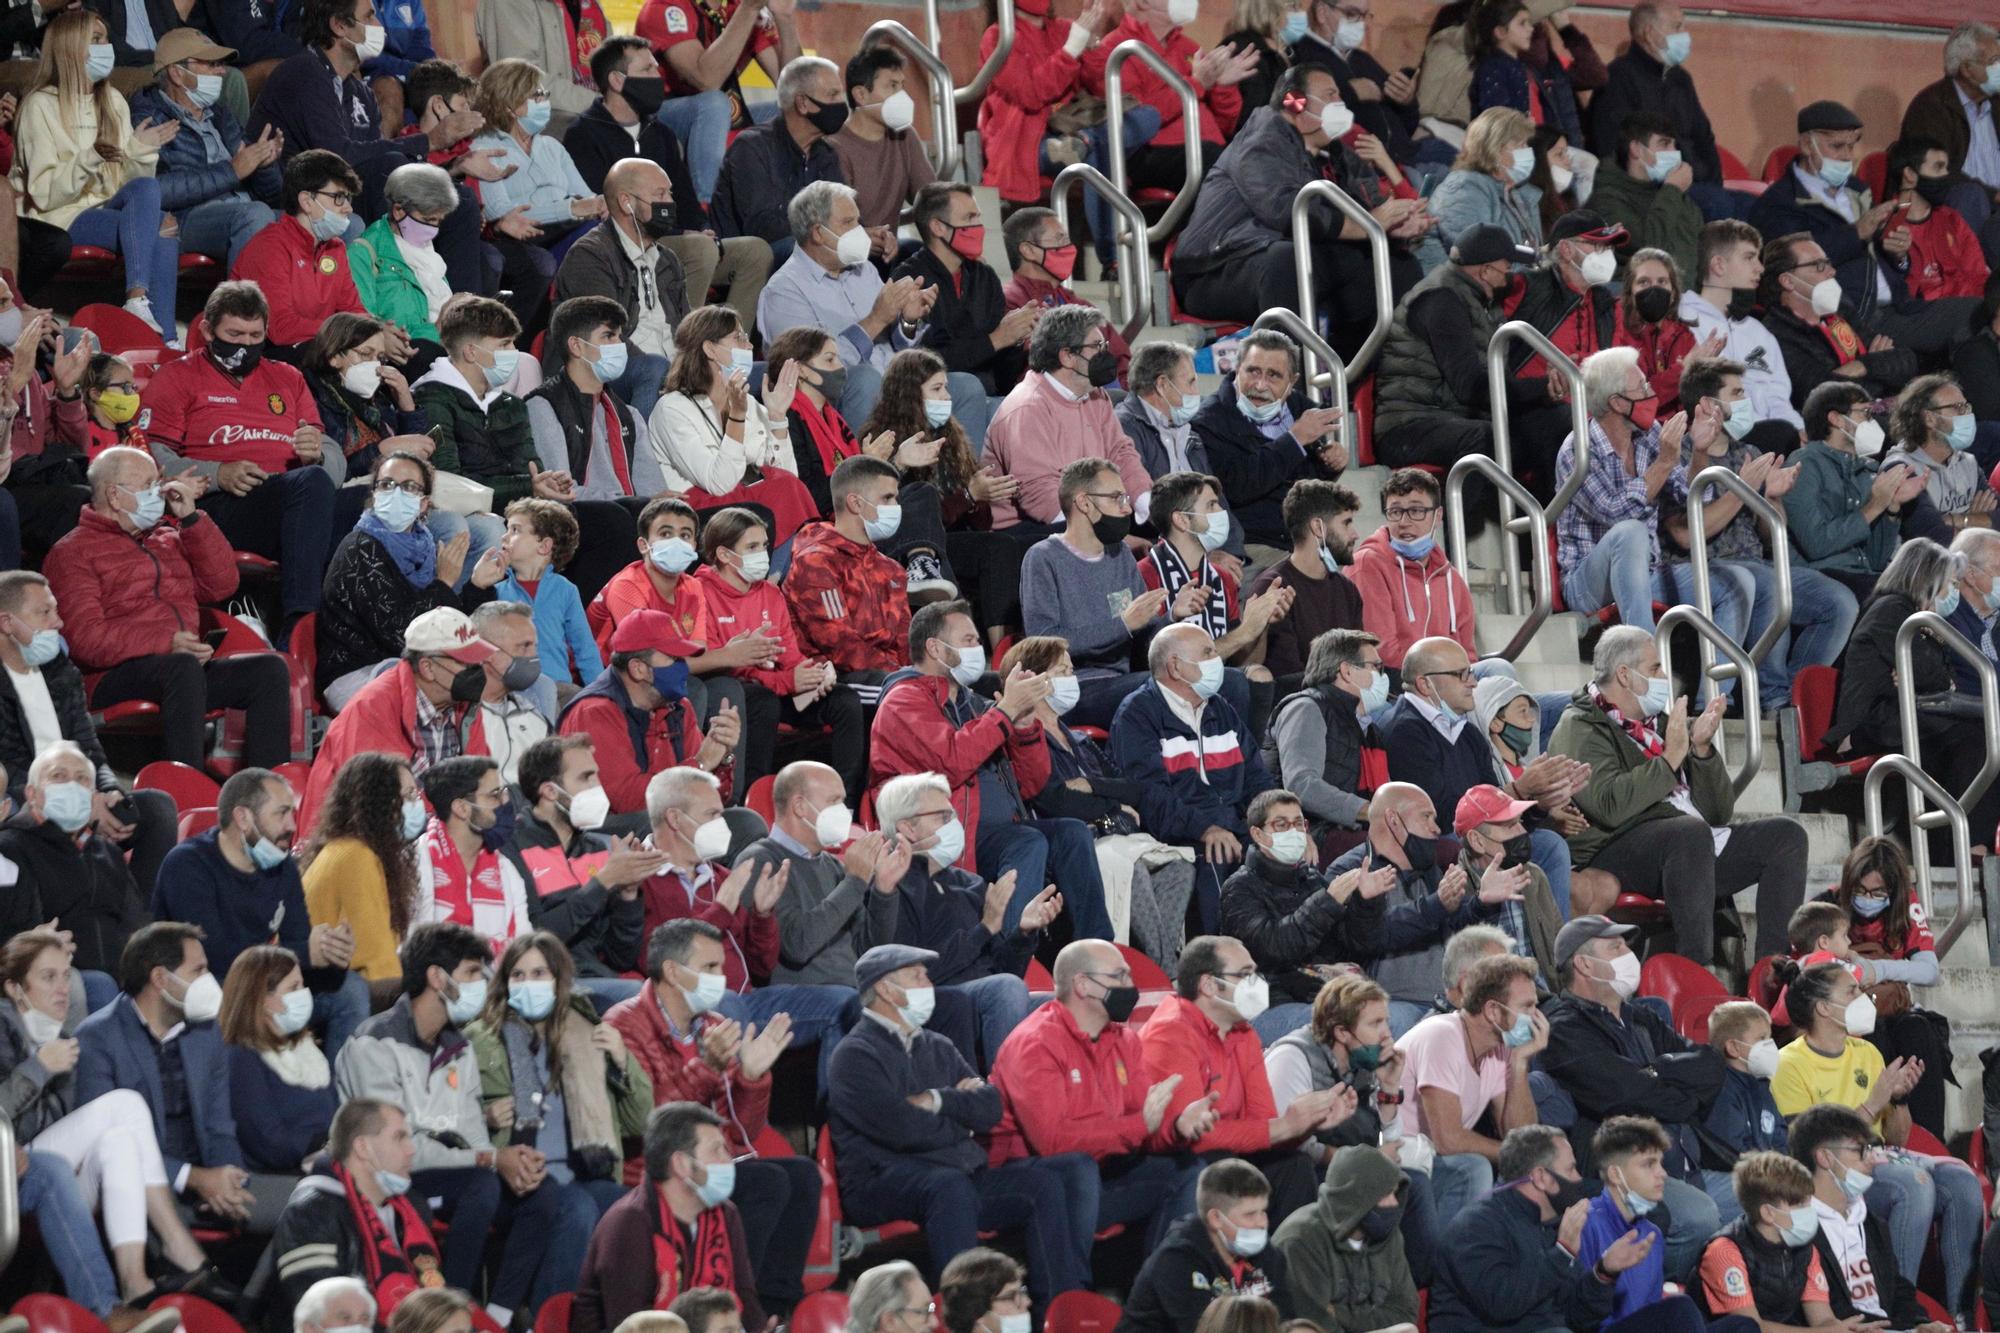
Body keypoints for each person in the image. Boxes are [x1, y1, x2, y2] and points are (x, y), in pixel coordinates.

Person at [336, 921, 595, 1314]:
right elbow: (393, 1150)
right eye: (472, 972)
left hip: (455, 1172)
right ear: (438, 978)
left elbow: (475, 1135)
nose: (482, 983)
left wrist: (510, 1164)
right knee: (483, 1185)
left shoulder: (459, 1047)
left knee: (542, 1195)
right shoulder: (375, 1044)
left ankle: (500, 1315)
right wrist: (490, 1160)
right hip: (396, 1174)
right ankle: (448, 1309)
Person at [827, 943, 1093, 1308]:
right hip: (881, 1181)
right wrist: (961, 1123)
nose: (928, 983)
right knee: (948, 1187)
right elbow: (903, 1130)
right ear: (886, 989)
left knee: (1043, 1183)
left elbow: (990, 1106)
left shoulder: (938, 1044)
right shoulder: (854, 1055)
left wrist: (940, 1101)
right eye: (917, 976)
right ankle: (966, 1315)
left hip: (954, 1173)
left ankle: (1059, 1313)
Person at [603, 915, 825, 1314]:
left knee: (804, 1175)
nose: (720, 979)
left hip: (708, 1166)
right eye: (709, 968)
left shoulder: (715, 1027)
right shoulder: (624, 1025)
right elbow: (650, 1129)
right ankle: (731, 1308)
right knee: (767, 1182)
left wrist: (753, 1080)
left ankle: (775, 1311)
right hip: (652, 1175)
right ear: (672, 971)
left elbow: (739, 1137)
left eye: (721, 967)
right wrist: (706, 1066)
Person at [1551, 626, 1808, 964]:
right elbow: (1609, 806)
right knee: (1688, 832)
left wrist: (1701, 751)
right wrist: (1670, 758)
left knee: (1786, 836)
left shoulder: (1657, 725)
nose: (1664, 677)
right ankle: (1694, 967)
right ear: (1625, 675)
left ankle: (1772, 967)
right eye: (1655, 668)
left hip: (1689, 842)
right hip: (1617, 845)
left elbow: (1717, 813)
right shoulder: (1581, 725)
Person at [0, 927, 224, 1313]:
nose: (63, 989)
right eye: (47, 977)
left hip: (48, 1171)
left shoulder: (62, 1037)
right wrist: (37, 1068)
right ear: (15, 989)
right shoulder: (4, 1030)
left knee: (118, 1140)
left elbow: (71, 1126)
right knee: (124, 1104)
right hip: (11, 1164)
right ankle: (178, 1246)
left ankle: (135, 1284)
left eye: (66, 976)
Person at [871, 599, 1113, 941]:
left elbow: (1032, 786)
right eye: (968, 640)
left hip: (995, 832)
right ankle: (1008, 951)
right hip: (941, 834)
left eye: (978, 641)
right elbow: (951, 763)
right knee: (1027, 841)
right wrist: (1005, 711)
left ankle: (1096, 948)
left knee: (1071, 833)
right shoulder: (903, 700)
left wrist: (1026, 726)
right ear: (935, 648)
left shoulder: (974, 704)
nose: (978, 649)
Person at [46, 446, 293, 770]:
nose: (159, 492)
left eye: (158, 483)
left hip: (181, 670)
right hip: (109, 677)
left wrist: (191, 518)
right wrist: (167, 644)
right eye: (148, 485)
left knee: (269, 670)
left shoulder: (166, 537)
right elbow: (86, 640)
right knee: (182, 667)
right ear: (114, 496)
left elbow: (222, 584)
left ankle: (266, 790)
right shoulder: (72, 553)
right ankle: (187, 789)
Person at [1769, 957, 1983, 1325]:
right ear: (1823, 1007)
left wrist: (1897, 1098)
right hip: (1831, 1171)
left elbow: (1896, 1137)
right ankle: (1898, 1310)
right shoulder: (1789, 1063)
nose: (1862, 997)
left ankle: (1960, 1313)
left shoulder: (1866, 1051)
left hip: (1879, 1154)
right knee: (1913, 1187)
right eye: (1851, 991)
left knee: (1963, 1179)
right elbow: (1808, 1148)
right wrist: (1872, 1104)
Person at [140, 280, 341, 640]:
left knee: (368, 503)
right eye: (234, 334)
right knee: (310, 486)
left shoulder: (288, 377)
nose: (245, 345)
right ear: (206, 330)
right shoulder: (177, 376)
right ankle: (301, 625)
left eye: (255, 335)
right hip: (219, 507)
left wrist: (320, 455)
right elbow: (149, 454)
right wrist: (217, 474)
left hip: (290, 499)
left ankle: (350, 638)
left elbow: (330, 453)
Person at [1171, 66, 1425, 350]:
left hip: (1287, 256)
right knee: (1288, 262)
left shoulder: (1338, 155)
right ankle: (1293, 382)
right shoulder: (1260, 142)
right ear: (1295, 102)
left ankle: (1358, 379)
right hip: (1215, 269)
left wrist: (1397, 225)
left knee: (1398, 267)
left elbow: (1371, 208)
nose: (1339, 104)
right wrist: (1370, 223)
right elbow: (1287, 211)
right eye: (1330, 95)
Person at [987, 938, 1219, 1247]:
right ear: (1082, 984)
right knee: (1076, 1169)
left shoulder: (1124, 1040)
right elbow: (1053, 1143)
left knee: (1188, 1170)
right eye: (1119, 976)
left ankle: (1158, 1284)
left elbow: (1142, 1121)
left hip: (1099, 1172)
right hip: (1029, 1180)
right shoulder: (1035, 1044)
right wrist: (1139, 1125)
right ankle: (1067, 1293)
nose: (1131, 986)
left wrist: (1175, 1127)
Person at [75, 921, 299, 1233]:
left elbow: (219, 1126)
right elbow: (103, 1149)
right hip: (142, 1191)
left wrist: (226, 1179)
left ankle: (249, 1285)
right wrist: (194, 1178)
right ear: (160, 979)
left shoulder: (207, 1032)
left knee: (315, 1204)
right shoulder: (98, 1038)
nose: (209, 980)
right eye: (199, 970)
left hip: (212, 1181)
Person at [1669, 357, 1857, 713]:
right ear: (1709, 404)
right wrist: (1742, 490)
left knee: (1839, 602)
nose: (1746, 400)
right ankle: (1769, 694)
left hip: (1758, 562)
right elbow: (1686, 534)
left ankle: (1791, 700)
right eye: (1737, 392)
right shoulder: (1678, 451)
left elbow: (1772, 538)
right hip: (1707, 567)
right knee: (1767, 584)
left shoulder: (1749, 453)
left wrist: (1770, 499)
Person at [1539, 917, 1724, 1279]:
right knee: (1700, 1217)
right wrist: (1682, 1095)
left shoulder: (1642, 1017)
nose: (1629, 954)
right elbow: (1625, 1096)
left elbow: (1710, 1064)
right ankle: (1651, 1294)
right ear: (1584, 964)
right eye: (1616, 947)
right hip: (1626, 1171)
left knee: (1771, 1198)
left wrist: (1656, 1070)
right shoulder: (1565, 1028)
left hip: (1688, 1157)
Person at [156, 768, 367, 1058]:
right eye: (281, 814)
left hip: (262, 984)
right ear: (243, 818)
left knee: (350, 990)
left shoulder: (283, 868)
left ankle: (338, 1098)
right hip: (204, 988)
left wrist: (331, 955)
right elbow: (212, 958)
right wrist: (305, 953)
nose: (292, 825)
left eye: (292, 814)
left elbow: (299, 944)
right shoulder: (188, 865)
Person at [1755, 101, 1984, 364]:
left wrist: (1898, 255)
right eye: (1837, 146)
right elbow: (1790, 266)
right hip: (1852, 316)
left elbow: (1885, 259)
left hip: (1900, 306)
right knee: (1970, 315)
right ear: (1807, 145)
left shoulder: (1857, 189)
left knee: (1982, 308)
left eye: (1851, 146)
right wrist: (1856, 233)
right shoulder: (1780, 203)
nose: (1847, 156)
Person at [0, 572, 177, 898]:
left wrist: (107, 791)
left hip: (79, 793)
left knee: (156, 810)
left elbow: (89, 747)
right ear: (7, 623)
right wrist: (77, 801)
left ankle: (139, 929)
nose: (59, 622)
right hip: (24, 807)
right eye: (45, 613)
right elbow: (8, 772)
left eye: (56, 610)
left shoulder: (60, 671)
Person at [1139, 936, 1337, 1224]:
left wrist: (1305, 1124)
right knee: (1213, 1162)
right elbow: (1197, 1136)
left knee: (1294, 1165)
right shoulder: (1170, 1033)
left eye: (1254, 974)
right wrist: (1283, 1126)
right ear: (1208, 985)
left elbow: (1263, 1121)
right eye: (1245, 975)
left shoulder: (1242, 1032)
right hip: (1177, 1161)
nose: (1255, 983)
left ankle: (1283, 1264)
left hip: (1223, 1153)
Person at [871, 771, 1058, 1067]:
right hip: (933, 1002)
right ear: (907, 827)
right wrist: (983, 929)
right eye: (942, 818)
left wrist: (1023, 933)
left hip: (989, 996)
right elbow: (910, 975)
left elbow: (1004, 970)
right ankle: (1002, 1100)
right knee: (1006, 990)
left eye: (953, 816)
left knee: (1063, 1005)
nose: (954, 826)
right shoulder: (892, 885)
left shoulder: (971, 883)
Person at [1550, 346, 1739, 638]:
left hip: (1647, 572)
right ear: (1617, 402)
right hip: (1587, 582)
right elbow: (1615, 514)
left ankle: (1718, 686)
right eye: (1643, 388)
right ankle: (1647, 657)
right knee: (1631, 532)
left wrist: (1699, 451)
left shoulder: (1648, 436)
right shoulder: (1577, 451)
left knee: (1740, 587)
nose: (1652, 394)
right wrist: (1664, 462)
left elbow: (1694, 498)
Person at [464, 930, 652, 1220]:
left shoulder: (591, 1032)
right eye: (518, 975)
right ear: (505, 982)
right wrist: (484, 1117)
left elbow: (637, 1123)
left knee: (638, 1212)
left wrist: (623, 1061)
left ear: (558, 980)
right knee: (577, 1209)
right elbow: (449, 1117)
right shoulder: (480, 1039)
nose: (529, 984)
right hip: (517, 1181)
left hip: (586, 1176)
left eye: (539, 973)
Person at [1828, 539, 2000, 855]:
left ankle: (1967, 841)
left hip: (1907, 714)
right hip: (1873, 725)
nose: (1951, 592)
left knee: (1984, 738)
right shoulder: (1891, 609)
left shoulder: (1922, 620)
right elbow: (1930, 672)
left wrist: (1927, 672)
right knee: (1977, 739)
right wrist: (1928, 672)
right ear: (1926, 577)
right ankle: (1963, 847)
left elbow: (1934, 676)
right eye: (1948, 583)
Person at [14, 10, 180, 337]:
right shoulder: (40, 105)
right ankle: (165, 337)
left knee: (148, 191)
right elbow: (45, 195)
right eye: (96, 40)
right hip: (59, 219)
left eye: (105, 38)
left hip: (106, 208)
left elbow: (127, 188)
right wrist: (89, 157)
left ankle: (143, 310)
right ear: (71, 49)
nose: (107, 46)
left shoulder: (114, 100)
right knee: (161, 226)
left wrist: (139, 150)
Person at [1372, 224, 1571, 485]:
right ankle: (1458, 525)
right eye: (1507, 266)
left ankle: (1544, 522)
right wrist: (1541, 389)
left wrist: (1542, 396)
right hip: (1408, 425)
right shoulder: (1441, 300)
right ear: (1485, 271)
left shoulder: (1480, 300)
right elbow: (1470, 386)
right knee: (1486, 439)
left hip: (1452, 417)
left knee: (1555, 422)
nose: (1510, 275)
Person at [1112, 624, 1277, 929]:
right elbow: (1149, 794)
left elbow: (1256, 777)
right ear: (1175, 666)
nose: (1218, 660)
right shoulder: (1137, 714)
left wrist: (1278, 820)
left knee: (1284, 850)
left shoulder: (1220, 709)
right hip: (1182, 832)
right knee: (1215, 855)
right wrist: (1204, 828)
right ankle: (1215, 959)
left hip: (1233, 823)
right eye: (1208, 653)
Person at [694, 506, 866, 800]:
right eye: (751, 547)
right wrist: (789, 682)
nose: (762, 553)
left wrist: (814, 673)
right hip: (737, 690)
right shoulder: (700, 591)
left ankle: (845, 802)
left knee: (846, 700)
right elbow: (720, 663)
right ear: (723, 554)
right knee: (763, 702)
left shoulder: (771, 593)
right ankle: (750, 799)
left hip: (780, 686)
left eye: (763, 545)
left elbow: (789, 653)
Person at [1431, 1123, 1659, 1333]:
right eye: (1570, 1169)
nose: (1579, 1179)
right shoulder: (1477, 1224)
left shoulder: (1551, 1228)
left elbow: (1576, 1318)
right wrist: (1561, 1253)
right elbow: (1501, 1304)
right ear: (1541, 1177)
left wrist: (1604, 1272)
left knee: (1678, 1313)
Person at [316, 452, 503, 707]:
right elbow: (400, 634)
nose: (396, 492)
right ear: (374, 494)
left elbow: (443, 624)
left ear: (424, 503)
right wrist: (443, 583)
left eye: (409, 487)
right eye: (387, 484)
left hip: (406, 663)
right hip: (357, 670)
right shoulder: (360, 547)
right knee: (456, 688)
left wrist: (477, 586)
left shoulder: (424, 547)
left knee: (496, 680)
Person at [296, 605, 498, 838]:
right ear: (428, 668)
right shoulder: (371, 709)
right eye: (468, 664)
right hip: (350, 842)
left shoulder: (465, 705)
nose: (479, 672)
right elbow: (380, 805)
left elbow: (480, 780)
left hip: (432, 837)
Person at [571, 1101, 769, 1333]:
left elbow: (744, 1296)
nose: (728, 1159)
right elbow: (633, 1325)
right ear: (681, 1164)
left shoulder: (727, 1214)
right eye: (716, 1149)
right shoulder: (629, 1222)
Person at [1219, 789, 1391, 1039]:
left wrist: (1367, 902)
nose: (1294, 831)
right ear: (1258, 834)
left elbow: (1358, 945)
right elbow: (1273, 946)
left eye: (1299, 823)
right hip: (1267, 1004)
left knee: (1387, 1020)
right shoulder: (1239, 888)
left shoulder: (1311, 879)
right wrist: (1328, 902)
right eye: (1282, 824)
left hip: (1321, 996)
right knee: (1357, 1026)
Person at [641, 305, 816, 548]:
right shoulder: (673, 408)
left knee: (785, 488)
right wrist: (736, 416)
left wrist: (777, 418)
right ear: (710, 348)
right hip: (700, 511)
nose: (750, 346)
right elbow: (718, 483)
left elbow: (788, 477)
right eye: (739, 338)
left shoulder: (751, 403)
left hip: (753, 502)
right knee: (781, 495)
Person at [1396, 953, 1543, 1221]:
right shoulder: (1442, 1035)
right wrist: (1519, 1158)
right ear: (1493, 1011)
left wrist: (1520, 1063)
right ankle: (1453, 1260)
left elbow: (1518, 1134)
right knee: (1473, 1168)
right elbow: (1448, 1139)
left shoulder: (1500, 1049)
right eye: (1528, 1006)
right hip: (1394, 1162)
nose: (1536, 1017)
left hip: (1429, 1162)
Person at [1823, 836, 1953, 1137]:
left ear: (1893, 891)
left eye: (1878, 892)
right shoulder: (1827, 905)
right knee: (1874, 1031)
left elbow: (1929, 970)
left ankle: (1930, 1139)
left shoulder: (1906, 905)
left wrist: (1877, 969)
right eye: (1861, 890)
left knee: (1919, 1031)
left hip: (1892, 1007)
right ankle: (1877, 1133)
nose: (1868, 898)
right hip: (1847, 1014)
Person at [732, 759, 904, 988]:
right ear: (800, 806)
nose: (843, 811)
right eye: (834, 801)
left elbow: (869, 949)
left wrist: (884, 890)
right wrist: (854, 881)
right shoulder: (760, 861)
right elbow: (797, 946)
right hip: (798, 1000)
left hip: (849, 995)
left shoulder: (834, 866)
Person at [984, 305, 1152, 535]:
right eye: (1096, 347)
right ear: (1068, 356)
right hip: (1027, 530)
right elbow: (1039, 493)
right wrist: (1101, 535)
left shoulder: (1096, 395)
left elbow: (1120, 453)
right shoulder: (1027, 407)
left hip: (1087, 513)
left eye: (1104, 346)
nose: (1104, 354)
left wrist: (1148, 506)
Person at [126, 28, 282, 271]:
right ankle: (240, 308)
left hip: (245, 210)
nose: (222, 71)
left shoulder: (221, 115)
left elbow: (272, 196)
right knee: (256, 215)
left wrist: (264, 165)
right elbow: (156, 190)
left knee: (329, 222)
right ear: (177, 73)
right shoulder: (149, 119)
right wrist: (231, 171)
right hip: (187, 218)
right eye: (212, 64)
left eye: (220, 64)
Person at [557, 609, 738, 815]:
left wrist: (723, 756)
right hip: (608, 831)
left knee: (745, 822)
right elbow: (626, 801)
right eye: (673, 658)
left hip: (667, 821)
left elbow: (714, 798)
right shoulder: (594, 712)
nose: (683, 667)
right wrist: (700, 764)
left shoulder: (678, 707)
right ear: (638, 669)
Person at [1789, 1102, 1949, 1333]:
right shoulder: (1796, 1229)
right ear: (1825, 1158)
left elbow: (1898, 1289)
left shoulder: (1870, 1220)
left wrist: (1919, 1324)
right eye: (1860, 1150)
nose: (1872, 1159)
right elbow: (1815, 1312)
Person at [469, 58, 606, 327]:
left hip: (564, 232)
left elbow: (587, 198)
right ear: (510, 104)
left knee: (603, 232)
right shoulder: (484, 147)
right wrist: (571, 208)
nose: (545, 100)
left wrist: (598, 205)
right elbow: (501, 212)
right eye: (537, 95)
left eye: (544, 94)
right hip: (518, 240)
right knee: (594, 242)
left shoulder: (552, 146)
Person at [551, 157, 688, 426]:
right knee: (654, 368)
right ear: (627, 202)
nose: (669, 202)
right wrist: (674, 374)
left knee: (750, 372)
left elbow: (685, 328)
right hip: (613, 368)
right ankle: (637, 459)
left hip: (671, 367)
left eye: (670, 193)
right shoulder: (590, 255)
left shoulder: (668, 260)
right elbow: (604, 339)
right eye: (660, 194)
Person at [268, 1105, 440, 1317]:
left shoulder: (410, 1209)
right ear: (363, 1147)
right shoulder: (312, 1211)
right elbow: (328, 1317)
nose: (411, 1149)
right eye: (399, 1138)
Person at [1188, 331, 1348, 554]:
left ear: (1292, 381)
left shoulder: (1300, 408)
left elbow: (1307, 482)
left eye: (1274, 375)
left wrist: (1329, 464)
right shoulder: (1208, 421)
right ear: (1237, 370)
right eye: (1253, 371)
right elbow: (1234, 488)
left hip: (1305, 542)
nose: (1260, 385)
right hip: (1250, 545)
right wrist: (1294, 440)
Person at [0, 741, 149, 978]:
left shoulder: (108, 853)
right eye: (58, 776)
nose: (71, 785)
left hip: (120, 978)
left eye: (82, 779)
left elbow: (136, 923)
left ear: (93, 795)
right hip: (61, 977)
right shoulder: (12, 848)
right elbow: (22, 938)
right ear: (32, 793)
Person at [1080, 0, 1256, 197]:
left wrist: (1223, 87)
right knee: (1215, 161)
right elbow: (1139, 117)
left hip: (1208, 151)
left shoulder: (1189, 48)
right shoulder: (1116, 50)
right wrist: (1196, 84)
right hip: (1153, 154)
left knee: (1258, 160)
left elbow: (1224, 125)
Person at [634, 0, 801, 208]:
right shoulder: (666, 6)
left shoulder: (736, 8)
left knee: (795, 112)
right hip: (661, 115)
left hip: (718, 110)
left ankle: (795, 206)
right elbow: (706, 80)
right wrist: (748, 10)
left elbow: (796, 91)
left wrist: (784, 18)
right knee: (714, 103)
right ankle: (710, 209)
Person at [1115, 1158, 1293, 1333]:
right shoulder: (1176, 1260)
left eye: (1263, 1211)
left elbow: (1285, 1321)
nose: (1261, 1223)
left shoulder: (1267, 1255)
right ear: (1216, 1218)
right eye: (1250, 1215)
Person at [1587, 2, 1729, 218]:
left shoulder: (1680, 79)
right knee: (1719, 204)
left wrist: (1715, 184)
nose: (1684, 35)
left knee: (1749, 205)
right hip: (1649, 189)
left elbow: (1704, 138)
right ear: (1649, 33)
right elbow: (1612, 146)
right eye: (1676, 27)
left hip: (1695, 184)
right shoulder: (1618, 78)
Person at [783, 455, 911, 693]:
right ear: (855, 503)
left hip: (887, 675)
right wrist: (904, 676)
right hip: (833, 679)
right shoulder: (817, 562)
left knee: (971, 686)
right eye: (887, 498)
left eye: (896, 498)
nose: (895, 507)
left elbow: (904, 641)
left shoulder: (892, 569)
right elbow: (838, 644)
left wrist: (916, 673)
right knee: (907, 692)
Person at [301, 753, 424, 991]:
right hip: (332, 993)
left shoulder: (349, 849)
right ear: (379, 802)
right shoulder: (356, 857)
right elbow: (375, 962)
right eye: (408, 795)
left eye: (416, 794)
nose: (417, 803)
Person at [229, 150, 368, 357]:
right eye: (339, 197)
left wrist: (379, 331)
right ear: (307, 201)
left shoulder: (335, 248)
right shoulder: (270, 247)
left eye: (348, 198)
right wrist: (347, 332)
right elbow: (281, 329)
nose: (347, 208)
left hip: (315, 346)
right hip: (264, 356)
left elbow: (353, 308)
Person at [1756, 232, 1916, 411]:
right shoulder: (1775, 333)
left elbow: (1906, 359)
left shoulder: (1839, 309)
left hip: (1877, 408)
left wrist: (1861, 365)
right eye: (1819, 265)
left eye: (1828, 262)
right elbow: (1822, 393)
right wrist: (1877, 366)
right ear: (1788, 281)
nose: (1832, 271)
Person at [1784, 381, 1917, 598]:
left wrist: (1891, 507)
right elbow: (1816, 544)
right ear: (1836, 419)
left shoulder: (1865, 469)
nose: (1872, 422)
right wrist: (1874, 506)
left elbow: (1875, 560)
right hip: (1819, 578)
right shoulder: (1804, 464)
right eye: (1865, 413)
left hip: (1861, 575)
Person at [217, 944, 339, 1175]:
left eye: (302, 984)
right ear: (262, 998)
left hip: (323, 1169)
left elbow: (338, 1119)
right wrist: (325, 1143)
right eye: (294, 987)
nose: (304, 994)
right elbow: (271, 1146)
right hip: (279, 1182)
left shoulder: (307, 1050)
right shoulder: (241, 1059)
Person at [1677, 219, 1803, 438]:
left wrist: (1799, 430)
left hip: (1771, 437)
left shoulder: (1759, 332)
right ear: (1718, 265)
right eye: (1749, 257)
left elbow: (1778, 397)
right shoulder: (1681, 317)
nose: (1760, 268)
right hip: (1713, 436)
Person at [1272, 1144, 1417, 1333]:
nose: (1394, 1203)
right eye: (1386, 1195)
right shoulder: (1300, 1239)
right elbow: (1312, 1324)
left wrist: (1339, 1313)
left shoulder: (1388, 1234)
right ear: (1357, 1196)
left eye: (1395, 1192)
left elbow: (1405, 1313)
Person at [711, 56, 845, 261]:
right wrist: (828, 234)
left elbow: (843, 209)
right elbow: (764, 228)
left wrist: (868, 235)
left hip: (815, 246)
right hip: (751, 259)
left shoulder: (826, 153)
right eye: (833, 94)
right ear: (802, 103)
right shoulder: (752, 147)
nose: (841, 103)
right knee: (802, 250)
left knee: (897, 250)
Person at [1262, 631, 1379, 858]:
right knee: (1404, 851)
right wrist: (1369, 811)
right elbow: (1302, 784)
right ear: (1346, 671)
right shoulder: (1306, 708)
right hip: (1309, 832)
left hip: (1346, 829)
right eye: (1375, 666)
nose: (1382, 676)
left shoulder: (1366, 727)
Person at [1349, 471, 1476, 680]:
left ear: (1438, 516)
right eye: (1395, 511)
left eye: (1416, 511)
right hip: (1398, 684)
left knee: (1496, 670)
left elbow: (1467, 656)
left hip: (1447, 684)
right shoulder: (1368, 564)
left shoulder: (1451, 578)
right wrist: (1439, 681)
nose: (1404, 522)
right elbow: (1382, 652)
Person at [1692, 1151, 1836, 1326]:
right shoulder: (1724, 1251)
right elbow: (1751, 1327)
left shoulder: (1805, 1250)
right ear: (1768, 1213)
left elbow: (1823, 1320)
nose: (1810, 1211)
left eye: (1808, 1202)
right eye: (1799, 1204)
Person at [1246, 483, 1363, 686]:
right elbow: (1290, 678)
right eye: (1346, 523)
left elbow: (1358, 661)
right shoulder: (1273, 587)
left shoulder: (1347, 590)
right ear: (1318, 527)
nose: (1355, 534)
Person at [1000, 209, 1132, 381]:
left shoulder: (1081, 305)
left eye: (1067, 240)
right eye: (1059, 239)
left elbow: (1121, 361)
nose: (1069, 247)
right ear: (1028, 250)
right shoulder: (1011, 303)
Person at [491, 498, 599, 698]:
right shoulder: (495, 591)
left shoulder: (566, 590)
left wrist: (601, 694)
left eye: (515, 530)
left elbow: (585, 648)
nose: (503, 537)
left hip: (558, 688)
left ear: (544, 546)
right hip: (511, 690)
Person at [1901, 23, 2000, 239]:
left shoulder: (1996, 103)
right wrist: (1993, 195)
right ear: (1967, 69)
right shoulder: (1930, 107)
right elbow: (1935, 176)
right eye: (1994, 61)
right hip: (1959, 210)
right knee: (1970, 196)